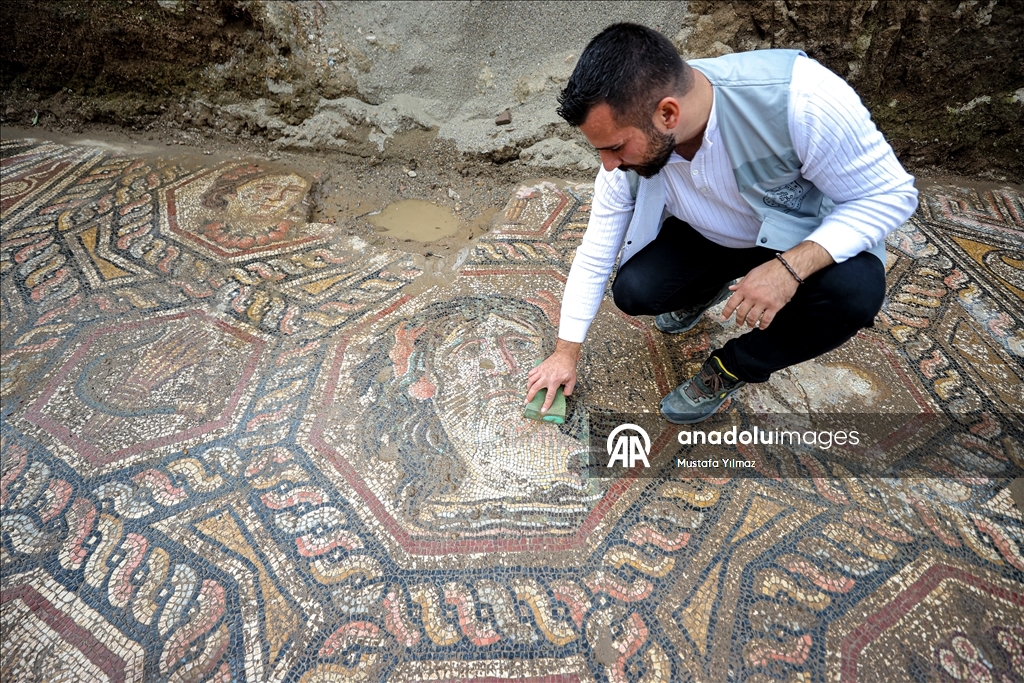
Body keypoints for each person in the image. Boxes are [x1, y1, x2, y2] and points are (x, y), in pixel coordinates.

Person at [525, 23, 918, 424]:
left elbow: (890, 195)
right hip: (713, 236)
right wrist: (564, 352)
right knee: (634, 290)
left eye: (615, 147)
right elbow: (595, 253)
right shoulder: (631, 142)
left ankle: (731, 367)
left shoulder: (803, 99)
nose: (608, 165)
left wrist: (788, 269)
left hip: (802, 237)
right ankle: (707, 290)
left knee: (854, 295)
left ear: (668, 113)